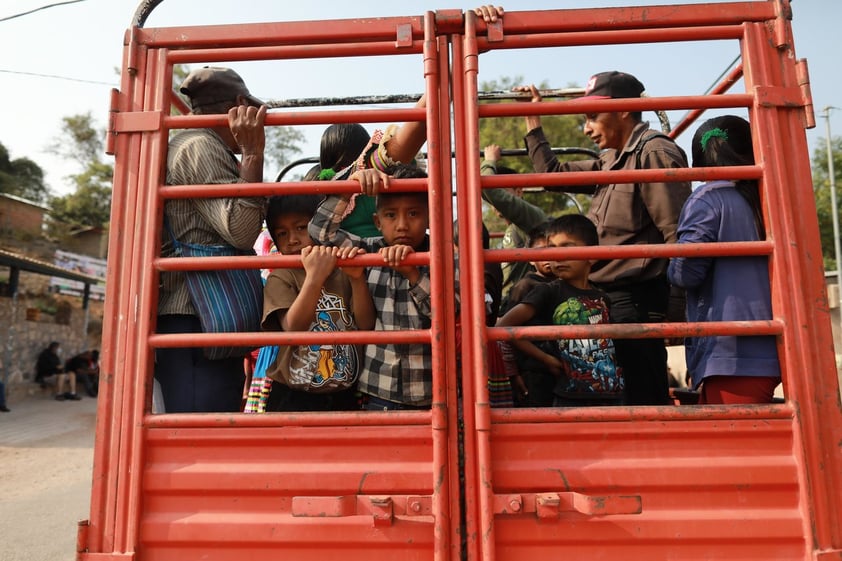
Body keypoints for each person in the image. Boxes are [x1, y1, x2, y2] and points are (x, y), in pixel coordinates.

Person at [514, 71, 691, 405]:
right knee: (610, 400)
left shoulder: (652, 153)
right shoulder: (609, 160)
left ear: (623, 109)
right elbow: (550, 174)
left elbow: (677, 235)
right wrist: (531, 120)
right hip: (604, 302)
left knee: (642, 400)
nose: (586, 128)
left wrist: (676, 311)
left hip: (635, 303)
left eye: (593, 117)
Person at [155, 66, 268, 413]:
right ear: (239, 105)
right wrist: (252, 155)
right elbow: (243, 230)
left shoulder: (193, 141)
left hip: (205, 318)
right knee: (198, 431)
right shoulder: (201, 146)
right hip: (196, 316)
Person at [667, 115, 780, 404]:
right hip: (774, 339)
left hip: (731, 348)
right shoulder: (769, 196)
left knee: (739, 445)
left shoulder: (707, 198)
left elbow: (685, 273)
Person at [309, 163, 440, 410]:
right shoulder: (368, 250)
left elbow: (446, 312)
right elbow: (319, 233)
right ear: (377, 222)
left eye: (413, 214)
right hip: (380, 390)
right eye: (391, 215)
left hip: (432, 391)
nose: (402, 225)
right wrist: (351, 186)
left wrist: (412, 273)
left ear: (430, 216)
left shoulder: (440, 255)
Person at [261, 194, 375, 411]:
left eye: (301, 228)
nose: (292, 239)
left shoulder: (343, 270)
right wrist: (315, 278)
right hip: (293, 396)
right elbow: (293, 327)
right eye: (282, 233)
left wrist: (357, 278)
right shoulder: (281, 276)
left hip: (344, 394)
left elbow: (366, 324)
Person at [497, 215, 624, 406]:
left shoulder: (602, 297)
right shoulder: (548, 291)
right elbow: (505, 326)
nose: (557, 257)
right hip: (569, 395)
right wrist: (548, 359)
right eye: (552, 249)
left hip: (611, 391)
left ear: (593, 255)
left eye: (567, 248)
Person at [481, 144, 549, 306]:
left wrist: (489, 161)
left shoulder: (530, 217)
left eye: (502, 190)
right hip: (509, 302)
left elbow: (486, 188)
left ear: (519, 192)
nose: (495, 199)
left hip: (524, 303)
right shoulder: (513, 227)